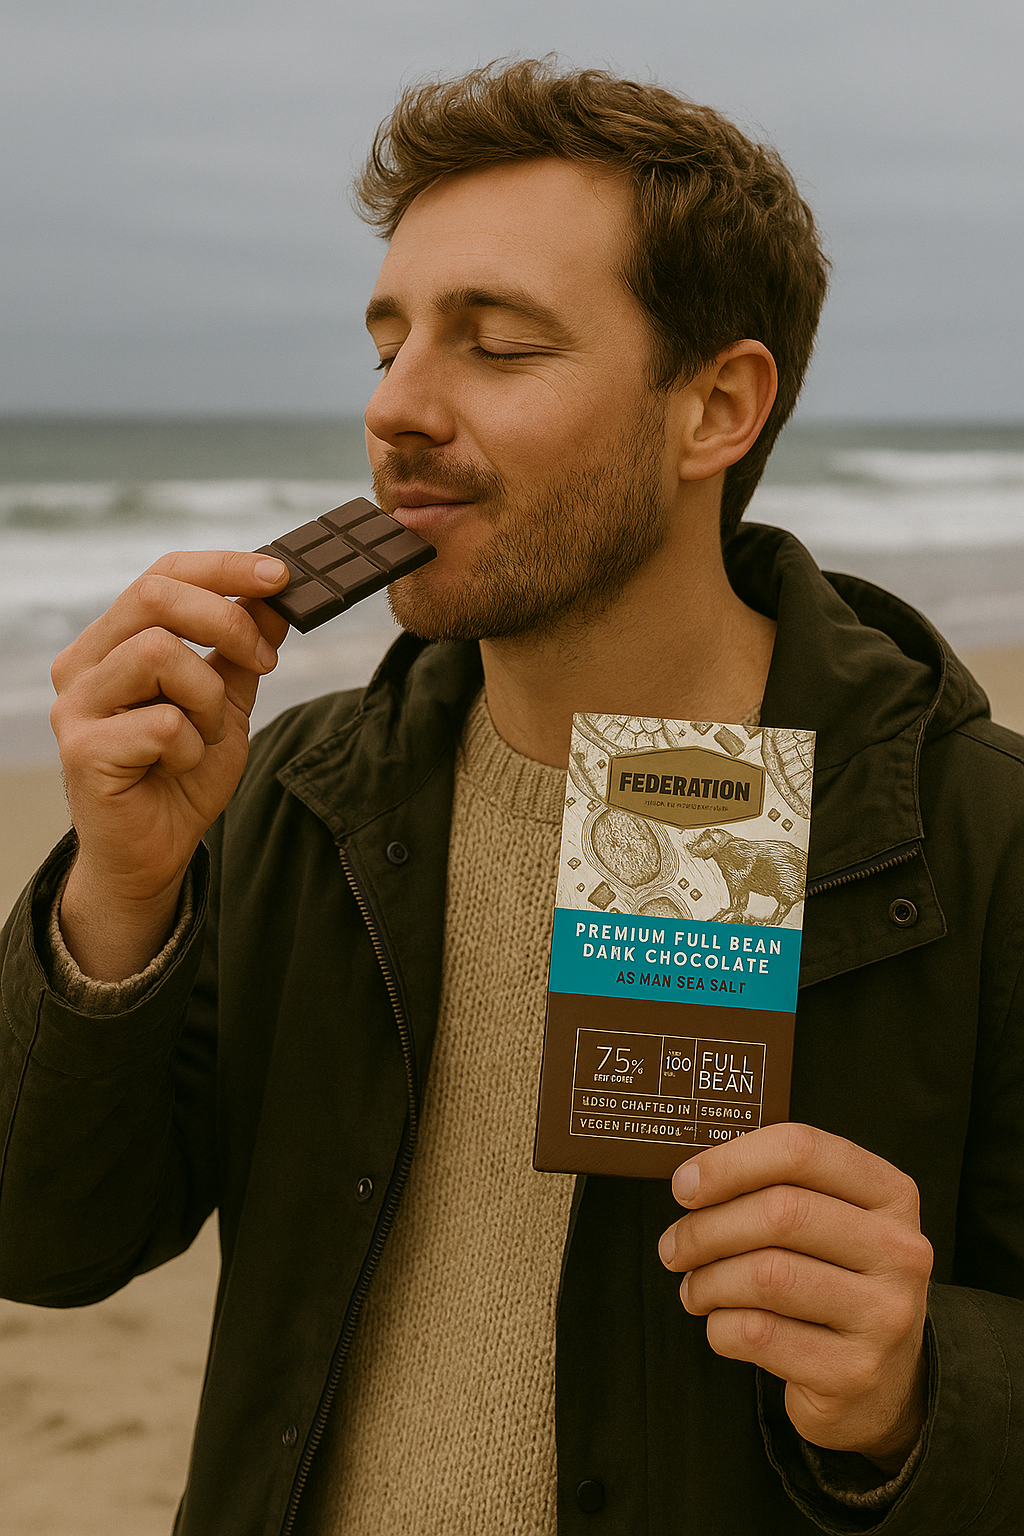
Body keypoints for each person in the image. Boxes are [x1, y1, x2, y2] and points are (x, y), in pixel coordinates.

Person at [1, 59, 1021, 1536]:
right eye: (388, 340)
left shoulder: (976, 836)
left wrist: (918, 1393)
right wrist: (119, 896)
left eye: (498, 346)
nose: (397, 409)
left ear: (715, 408)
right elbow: (46, 1237)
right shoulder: (300, 797)